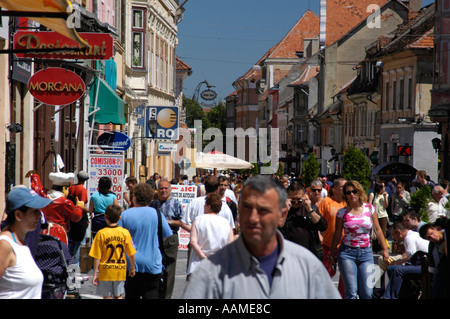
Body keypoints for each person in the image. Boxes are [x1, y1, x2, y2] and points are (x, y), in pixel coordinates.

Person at [182, 175, 341, 299]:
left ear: (281, 214)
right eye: (247, 207)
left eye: (263, 210)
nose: (253, 218)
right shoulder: (211, 270)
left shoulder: (308, 267)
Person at [329, 180, 390, 299]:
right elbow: (337, 234)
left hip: (366, 253)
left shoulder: (369, 208)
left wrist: (385, 250)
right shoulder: (342, 213)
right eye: (348, 193)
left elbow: (378, 230)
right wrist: (332, 255)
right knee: (351, 292)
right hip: (347, 253)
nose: (351, 194)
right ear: (345, 195)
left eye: (354, 191)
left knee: (367, 293)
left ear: (359, 191)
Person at [119, 183, 172, 299]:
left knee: (131, 293)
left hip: (130, 263)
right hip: (151, 262)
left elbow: (118, 238)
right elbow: (167, 235)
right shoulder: (157, 214)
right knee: (152, 292)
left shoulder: (125, 215)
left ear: (134, 197)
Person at [0, 187, 53, 299]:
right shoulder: (5, 245)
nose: (39, 215)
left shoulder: (22, 243)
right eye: (34, 211)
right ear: (18, 215)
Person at [89, 204, 136, 299]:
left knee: (107, 296)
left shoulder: (101, 233)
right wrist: (132, 267)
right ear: (119, 218)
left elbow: (97, 256)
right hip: (120, 270)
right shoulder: (125, 232)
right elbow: (131, 252)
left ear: (105, 217)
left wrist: (95, 274)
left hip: (105, 270)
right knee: (118, 295)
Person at [150, 179, 185, 299]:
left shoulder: (175, 203)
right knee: (155, 267)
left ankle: (166, 297)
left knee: (169, 271)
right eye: (161, 188)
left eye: (166, 188)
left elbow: (182, 222)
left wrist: (167, 222)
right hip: (156, 239)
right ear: (157, 190)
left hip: (171, 238)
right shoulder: (154, 204)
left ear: (170, 190)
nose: (163, 191)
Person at [186, 193, 234, 278]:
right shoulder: (226, 223)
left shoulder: (198, 220)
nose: (204, 206)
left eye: (205, 204)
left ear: (209, 206)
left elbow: (193, 242)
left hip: (198, 265)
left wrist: (203, 257)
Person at [381, 221, 430, 299]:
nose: (393, 238)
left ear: (399, 232)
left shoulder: (409, 238)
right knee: (391, 269)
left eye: (393, 234)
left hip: (424, 265)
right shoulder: (412, 234)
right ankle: (403, 295)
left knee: (398, 270)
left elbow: (410, 259)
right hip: (420, 263)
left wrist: (395, 263)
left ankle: (389, 297)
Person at [280, 181, 327, 260]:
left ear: (304, 196)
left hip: (309, 253)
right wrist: (285, 211)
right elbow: (277, 229)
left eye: (298, 199)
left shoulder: (310, 208)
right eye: (293, 199)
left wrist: (309, 209)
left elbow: (323, 226)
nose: (295, 202)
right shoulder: (282, 209)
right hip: (288, 255)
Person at [318, 177, 347, 296]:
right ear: (334, 189)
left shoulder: (348, 203)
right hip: (328, 244)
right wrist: (319, 235)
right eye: (342, 187)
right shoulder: (326, 202)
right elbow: (318, 221)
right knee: (327, 272)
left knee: (345, 275)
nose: (345, 189)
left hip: (345, 245)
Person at [68, 171, 90, 265]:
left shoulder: (71, 188)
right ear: (85, 180)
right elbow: (82, 204)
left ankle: (68, 261)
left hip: (71, 216)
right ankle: (76, 264)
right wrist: (89, 210)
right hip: (80, 217)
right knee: (80, 242)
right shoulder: (83, 190)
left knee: (71, 241)